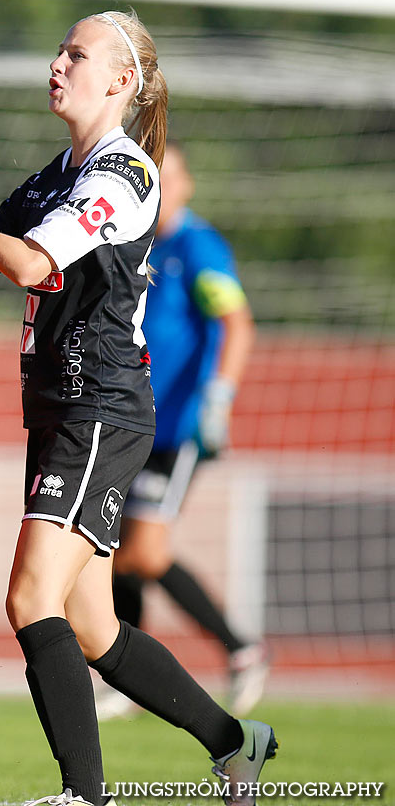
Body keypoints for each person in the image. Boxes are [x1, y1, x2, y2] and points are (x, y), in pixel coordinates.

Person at [0, 11, 277, 806]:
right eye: (58, 50)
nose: (56, 63)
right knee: (92, 628)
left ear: (120, 81)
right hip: (60, 409)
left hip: (102, 406)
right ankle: (238, 743)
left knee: (30, 598)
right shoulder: (50, 177)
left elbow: (27, 263)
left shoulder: (124, 174)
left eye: (76, 53)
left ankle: (82, 796)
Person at [100, 142, 267, 722]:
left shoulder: (198, 246)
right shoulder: (140, 245)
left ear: (188, 184)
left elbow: (235, 323)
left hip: (179, 426)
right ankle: (126, 677)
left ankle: (240, 650)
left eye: (168, 176)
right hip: (134, 424)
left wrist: (218, 399)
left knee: (144, 551)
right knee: (118, 551)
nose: (160, 186)